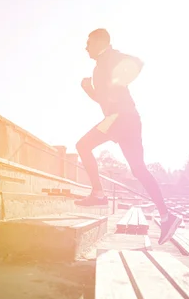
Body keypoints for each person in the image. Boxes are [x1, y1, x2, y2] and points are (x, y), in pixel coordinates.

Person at [74, 28, 180, 245]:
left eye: (89, 43)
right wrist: (89, 90)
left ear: (101, 42)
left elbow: (139, 62)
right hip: (127, 119)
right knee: (138, 169)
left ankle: (98, 193)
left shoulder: (111, 57)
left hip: (119, 118)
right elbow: (104, 100)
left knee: (83, 146)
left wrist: (120, 79)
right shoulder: (99, 67)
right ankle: (167, 216)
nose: (86, 47)